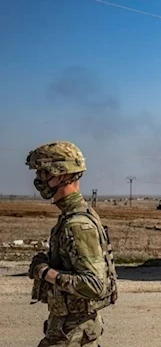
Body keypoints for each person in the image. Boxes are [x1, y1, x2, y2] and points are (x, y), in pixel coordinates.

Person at [26, 141, 118, 347]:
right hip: (70, 328)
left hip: (72, 333)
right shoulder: (73, 216)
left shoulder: (77, 224)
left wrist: (44, 272)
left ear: (61, 174)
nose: (38, 179)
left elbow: (94, 285)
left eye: (43, 173)